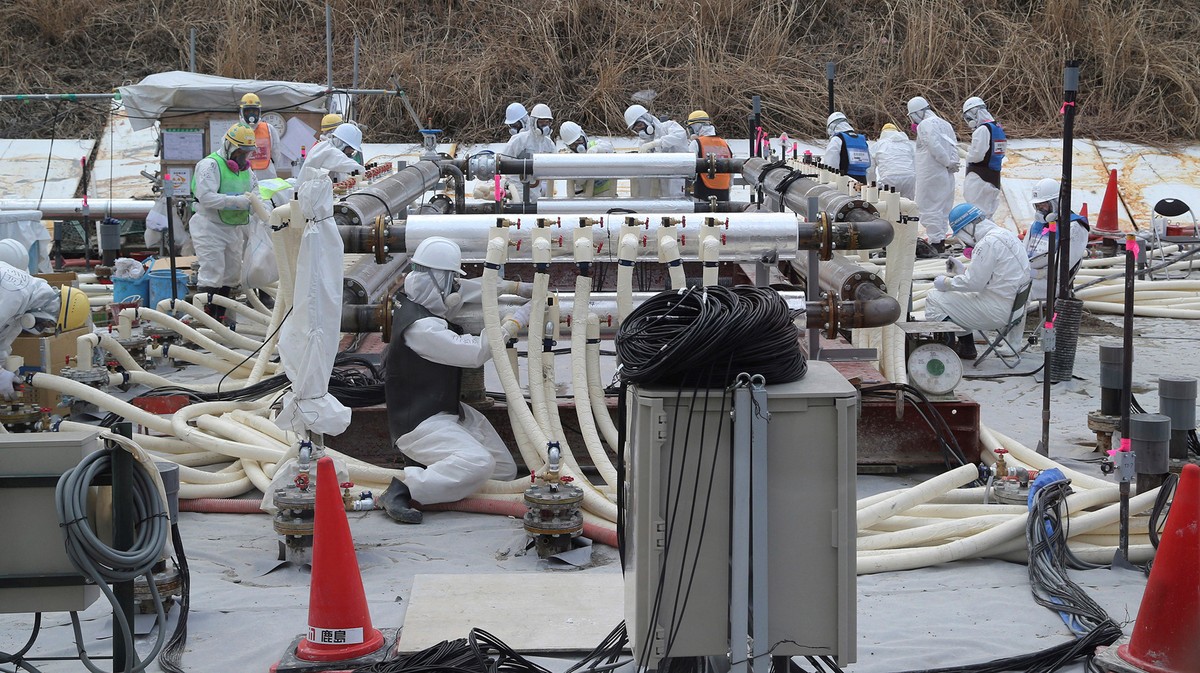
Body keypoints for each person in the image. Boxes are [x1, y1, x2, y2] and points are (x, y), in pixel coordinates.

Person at [377, 237, 531, 523]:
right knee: (479, 463)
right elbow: (474, 353)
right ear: (437, 281)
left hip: (447, 411)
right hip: (421, 426)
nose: (454, 291)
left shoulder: (415, 297)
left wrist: (512, 288)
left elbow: (466, 290)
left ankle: (446, 477)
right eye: (450, 282)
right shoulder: (421, 328)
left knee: (503, 471)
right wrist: (513, 323)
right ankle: (404, 489)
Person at [926, 203, 1030, 359]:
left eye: (961, 236)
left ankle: (948, 352)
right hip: (1015, 308)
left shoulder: (987, 243)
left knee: (934, 298)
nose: (964, 242)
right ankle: (966, 346)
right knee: (959, 299)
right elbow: (995, 277)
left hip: (998, 311)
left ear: (968, 229)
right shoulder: (1006, 235)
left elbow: (973, 284)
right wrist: (963, 272)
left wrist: (947, 282)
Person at [189, 123, 260, 324]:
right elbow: (207, 198)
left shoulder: (247, 170)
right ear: (229, 146)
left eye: (246, 153)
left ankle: (220, 317)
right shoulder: (210, 165)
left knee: (231, 274)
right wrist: (239, 201)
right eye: (240, 152)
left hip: (233, 228)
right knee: (212, 272)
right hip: (209, 226)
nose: (242, 157)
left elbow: (256, 195)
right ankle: (205, 322)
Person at [0, 259, 89, 399]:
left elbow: (2, 342)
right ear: (51, 311)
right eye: (47, 324)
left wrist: (5, 368)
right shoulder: (15, 297)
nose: (41, 328)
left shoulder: (26, 302)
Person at [907, 96, 960, 257]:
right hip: (947, 174)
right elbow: (954, 146)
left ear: (916, 113)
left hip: (931, 173)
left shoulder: (925, 125)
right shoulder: (946, 124)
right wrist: (952, 163)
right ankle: (940, 241)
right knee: (942, 208)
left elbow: (933, 145)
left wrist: (945, 162)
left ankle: (936, 243)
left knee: (927, 207)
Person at [1025, 178, 1090, 301]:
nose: (1040, 209)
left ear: (1056, 202)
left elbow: (1063, 267)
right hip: (1031, 275)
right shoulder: (1036, 224)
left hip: (1052, 282)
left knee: (1015, 289)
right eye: (1037, 205)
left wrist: (1038, 273)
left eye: (1043, 204)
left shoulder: (1074, 226)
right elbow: (1023, 253)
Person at [624, 104, 689, 197]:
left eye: (640, 125)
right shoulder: (644, 143)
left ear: (647, 119)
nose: (640, 130)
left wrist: (656, 143)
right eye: (636, 129)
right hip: (663, 182)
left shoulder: (669, 126)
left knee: (679, 204)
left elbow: (679, 136)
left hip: (679, 177)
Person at [500, 103, 556, 202]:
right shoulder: (519, 140)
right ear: (534, 122)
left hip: (538, 187)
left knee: (538, 210)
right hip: (518, 185)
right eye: (541, 122)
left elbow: (555, 168)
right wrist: (516, 186)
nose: (544, 126)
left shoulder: (549, 144)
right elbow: (504, 162)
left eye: (547, 123)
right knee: (520, 207)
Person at [962, 97, 1007, 219]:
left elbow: (977, 156)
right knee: (987, 214)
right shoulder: (997, 127)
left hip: (979, 178)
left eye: (968, 117)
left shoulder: (982, 130)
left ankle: (980, 238)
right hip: (993, 177)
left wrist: (966, 154)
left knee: (976, 214)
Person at [559, 121, 616, 198]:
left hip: (609, 193)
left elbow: (609, 148)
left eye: (579, 141)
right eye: (573, 145)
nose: (578, 147)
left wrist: (597, 149)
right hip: (590, 197)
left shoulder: (595, 144)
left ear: (584, 135)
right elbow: (577, 188)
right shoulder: (573, 160)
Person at [686, 110, 733, 202]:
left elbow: (689, 171)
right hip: (724, 194)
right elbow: (732, 171)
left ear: (696, 128)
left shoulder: (696, 144)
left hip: (702, 194)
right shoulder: (724, 144)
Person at [238, 93, 287, 180]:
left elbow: (276, 153)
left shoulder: (269, 129)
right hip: (243, 176)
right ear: (242, 112)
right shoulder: (236, 130)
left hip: (267, 176)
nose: (251, 115)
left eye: (254, 111)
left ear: (259, 111)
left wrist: (272, 168)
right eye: (247, 111)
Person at [821, 112, 871, 184]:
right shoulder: (861, 139)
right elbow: (870, 165)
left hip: (844, 181)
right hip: (863, 181)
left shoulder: (837, 139)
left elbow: (830, 164)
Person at [869, 123, 916, 200]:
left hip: (889, 178)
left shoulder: (878, 145)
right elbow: (915, 163)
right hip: (909, 178)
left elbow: (870, 168)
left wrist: (872, 184)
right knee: (908, 206)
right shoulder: (908, 144)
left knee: (889, 206)